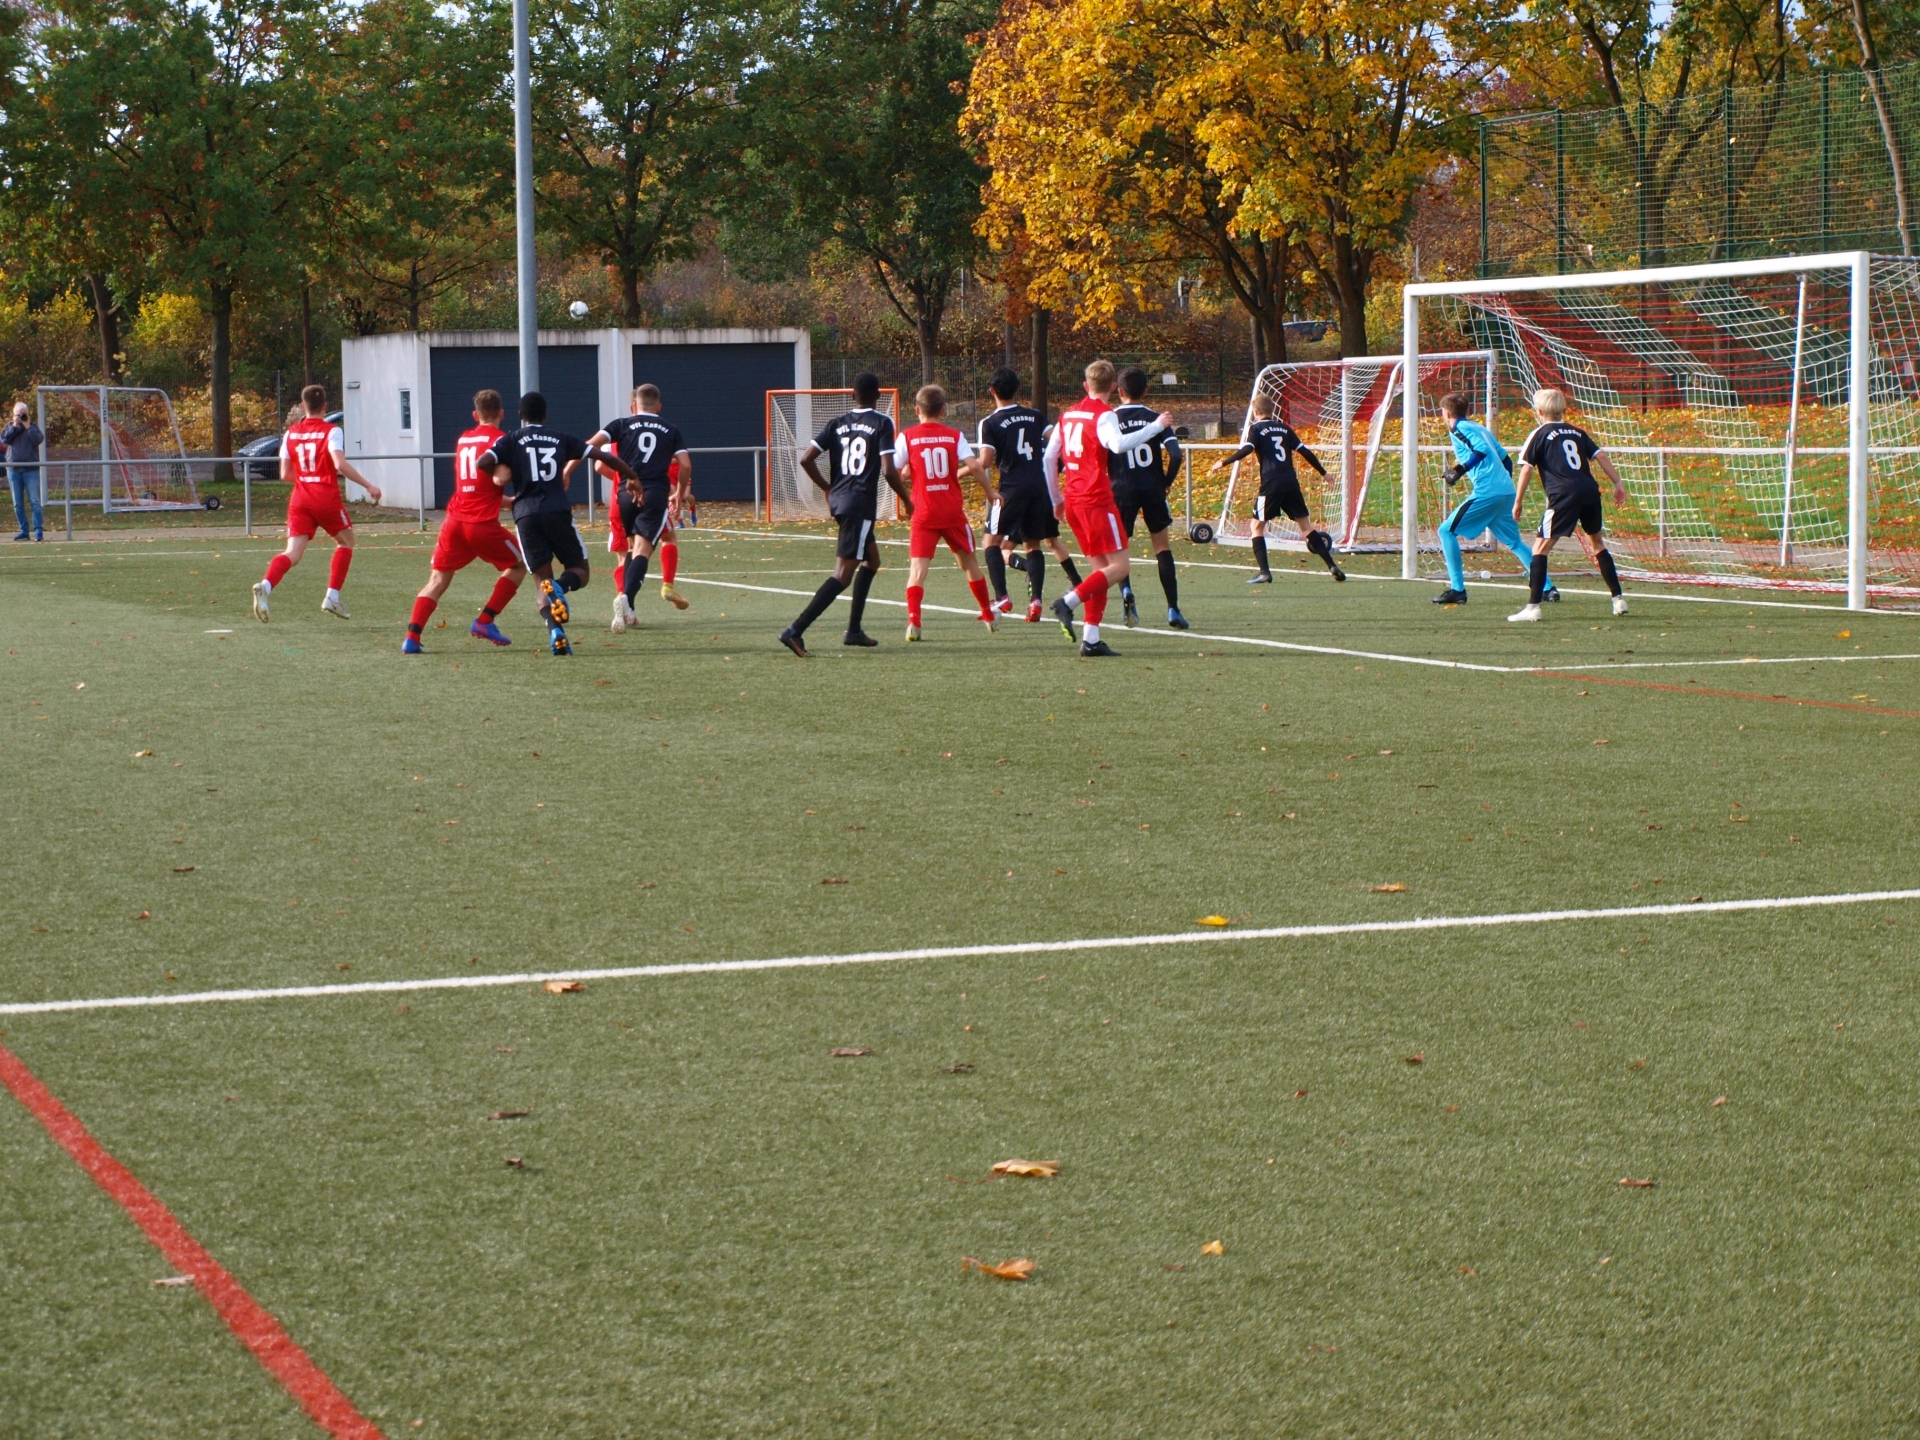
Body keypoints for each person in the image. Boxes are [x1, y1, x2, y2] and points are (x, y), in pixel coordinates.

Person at [478, 392, 632, 656]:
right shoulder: (560, 438)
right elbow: (604, 457)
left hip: (526, 515)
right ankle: (562, 586)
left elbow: (483, 462)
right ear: (545, 415)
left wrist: (503, 470)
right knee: (580, 571)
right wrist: (633, 477)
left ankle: (555, 631)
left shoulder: (511, 440)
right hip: (556, 511)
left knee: (542, 581)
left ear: (520, 416)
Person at [1043, 358, 1173, 658]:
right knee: (1120, 567)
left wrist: (1056, 499)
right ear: (1113, 387)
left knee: (1100, 572)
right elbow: (1117, 445)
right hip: (1097, 500)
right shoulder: (1104, 415)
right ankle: (1068, 602)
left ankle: (1091, 638)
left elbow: (1049, 458)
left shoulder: (1067, 415)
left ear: (1085, 385)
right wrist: (1156, 426)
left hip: (1074, 500)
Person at [779, 372, 908, 655]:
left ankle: (854, 630)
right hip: (859, 504)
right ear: (878, 395)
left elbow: (806, 459)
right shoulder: (882, 422)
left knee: (872, 561)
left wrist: (827, 487)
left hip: (840, 501)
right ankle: (795, 630)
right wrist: (908, 501)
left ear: (852, 395)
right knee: (842, 575)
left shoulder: (836, 423)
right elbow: (889, 471)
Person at [402, 390, 527, 653]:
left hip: (454, 521)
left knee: (437, 581)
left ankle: (412, 638)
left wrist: (505, 501)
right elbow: (499, 478)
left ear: (475, 415)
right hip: (480, 524)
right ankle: (485, 620)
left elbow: (475, 485)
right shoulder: (501, 440)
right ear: (502, 413)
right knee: (519, 565)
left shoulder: (464, 439)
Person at [250, 385, 382, 622]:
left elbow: (284, 473)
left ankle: (266, 586)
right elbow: (339, 464)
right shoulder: (332, 431)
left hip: (300, 498)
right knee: (346, 542)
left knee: (293, 552)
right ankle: (332, 597)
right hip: (325, 497)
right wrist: (368, 485)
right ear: (325, 407)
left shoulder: (291, 433)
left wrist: (306, 480)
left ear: (303, 406)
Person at [1509, 388, 1630, 623]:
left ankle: (1533, 607)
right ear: (1563, 409)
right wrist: (1618, 483)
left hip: (1564, 494)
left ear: (1539, 411)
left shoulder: (1539, 434)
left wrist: (1518, 501)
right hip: (1589, 491)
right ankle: (1618, 599)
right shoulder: (1577, 432)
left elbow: (1527, 469)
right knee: (1597, 544)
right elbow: (1601, 456)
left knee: (1539, 549)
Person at [1430, 391, 1556, 607]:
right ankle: (1548, 588)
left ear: (1446, 413)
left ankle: (1457, 590)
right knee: (1514, 542)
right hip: (1506, 491)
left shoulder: (1460, 428)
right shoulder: (1478, 427)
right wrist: (1503, 483)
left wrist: (1459, 470)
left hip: (1488, 491)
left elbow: (1480, 450)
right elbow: (1505, 459)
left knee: (1446, 531)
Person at [978, 368, 1083, 623]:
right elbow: (1057, 440)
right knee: (1033, 544)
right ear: (1017, 389)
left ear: (992, 391)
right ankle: (1035, 601)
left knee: (990, 542)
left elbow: (985, 461)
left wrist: (960, 470)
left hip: (1011, 490)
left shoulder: (989, 422)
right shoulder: (1035, 416)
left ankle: (1001, 596)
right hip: (1040, 488)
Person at [894, 384, 997, 641]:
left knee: (918, 569)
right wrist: (989, 493)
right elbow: (975, 466)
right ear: (943, 411)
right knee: (969, 563)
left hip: (923, 511)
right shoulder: (954, 436)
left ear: (916, 410)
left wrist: (905, 491)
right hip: (951, 511)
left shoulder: (907, 436)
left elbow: (894, 472)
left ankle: (914, 622)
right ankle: (988, 614)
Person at [1209, 393, 1343, 583]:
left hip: (1271, 483)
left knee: (1256, 527)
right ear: (1271, 410)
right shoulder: (1284, 428)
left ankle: (1264, 572)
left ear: (1256, 411)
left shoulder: (1256, 428)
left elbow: (1247, 449)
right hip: (1290, 482)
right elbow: (1305, 451)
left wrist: (1223, 463)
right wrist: (1324, 473)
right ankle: (1331, 565)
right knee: (1306, 526)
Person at [592, 384, 693, 632]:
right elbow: (685, 465)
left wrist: (566, 467)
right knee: (645, 550)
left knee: (626, 551)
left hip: (623, 496)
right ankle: (631, 597)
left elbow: (593, 454)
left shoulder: (620, 426)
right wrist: (679, 493)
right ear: (659, 406)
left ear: (634, 406)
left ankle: (628, 608)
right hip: (653, 494)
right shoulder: (669, 429)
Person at [1111, 367, 1189, 629]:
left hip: (1121, 489)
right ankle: (1173, 609)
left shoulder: (1110, 419)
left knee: (1120, 547)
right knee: (1162, 547)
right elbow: (1176, 455)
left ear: (1119, 391)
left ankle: (1126, 591)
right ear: (1146, 390)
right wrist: (1166, 482)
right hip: (1152, 488)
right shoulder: (1156, 418)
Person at [2, 402, 44, 542]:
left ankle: (38, 531)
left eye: (23, 414)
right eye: (18, 414)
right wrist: (15, 425)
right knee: (17, 504)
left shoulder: (33, 427)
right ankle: (24, 531)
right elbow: (4, 439)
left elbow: (38, 440)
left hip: (30, 470)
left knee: (35, 501)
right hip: (14, 470)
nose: (21, 417)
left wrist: (27, 426)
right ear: (13, 415)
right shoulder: (9, 426)